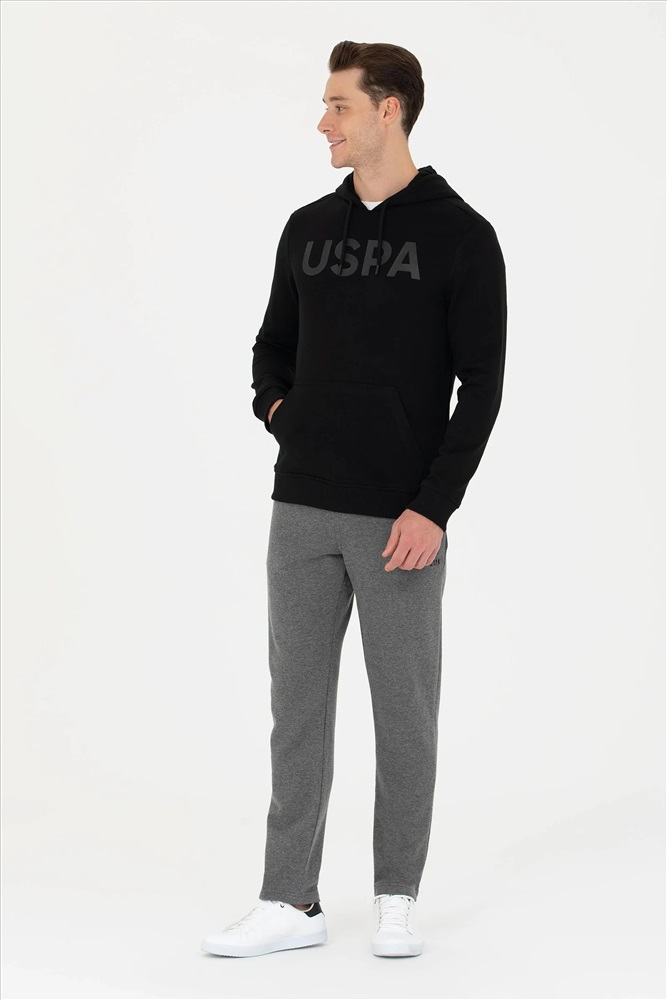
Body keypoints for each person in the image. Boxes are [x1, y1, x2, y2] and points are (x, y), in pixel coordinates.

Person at [201, 39, 507, 961]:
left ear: (389, 109)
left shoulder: (461, 236)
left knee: (403, 716)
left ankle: (395, 895)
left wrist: (433, 508)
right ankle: (289, 901)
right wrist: (282, 415)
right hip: (299, 510)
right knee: (294, 711)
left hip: (398, 521)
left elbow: (481, 388)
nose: (321, 122)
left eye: (338, 105)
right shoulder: (306, 228)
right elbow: (270, 351)